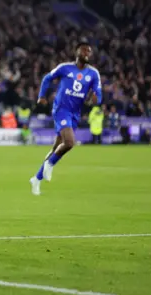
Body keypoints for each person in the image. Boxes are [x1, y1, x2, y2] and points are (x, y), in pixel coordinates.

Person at [29, 42, 102, 195]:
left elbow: (98, 94)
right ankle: (49, 163)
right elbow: (47, 78)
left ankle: (36, 179)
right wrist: (42, 96)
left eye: (89, 51)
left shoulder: (94, 74)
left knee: (57, 147)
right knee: (69, 142)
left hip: (75, 113)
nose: (87, 53)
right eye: (84, 50)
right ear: (77, 52)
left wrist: (95, 99)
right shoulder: (65, 68)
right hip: (61, 109)